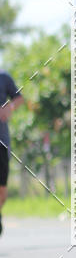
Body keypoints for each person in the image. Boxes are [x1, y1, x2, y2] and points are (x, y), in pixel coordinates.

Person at [0, 70, 24, 236]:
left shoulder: (4, 77)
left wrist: (10, 106)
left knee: (2, 190)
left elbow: (19, 98)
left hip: (1, 141)